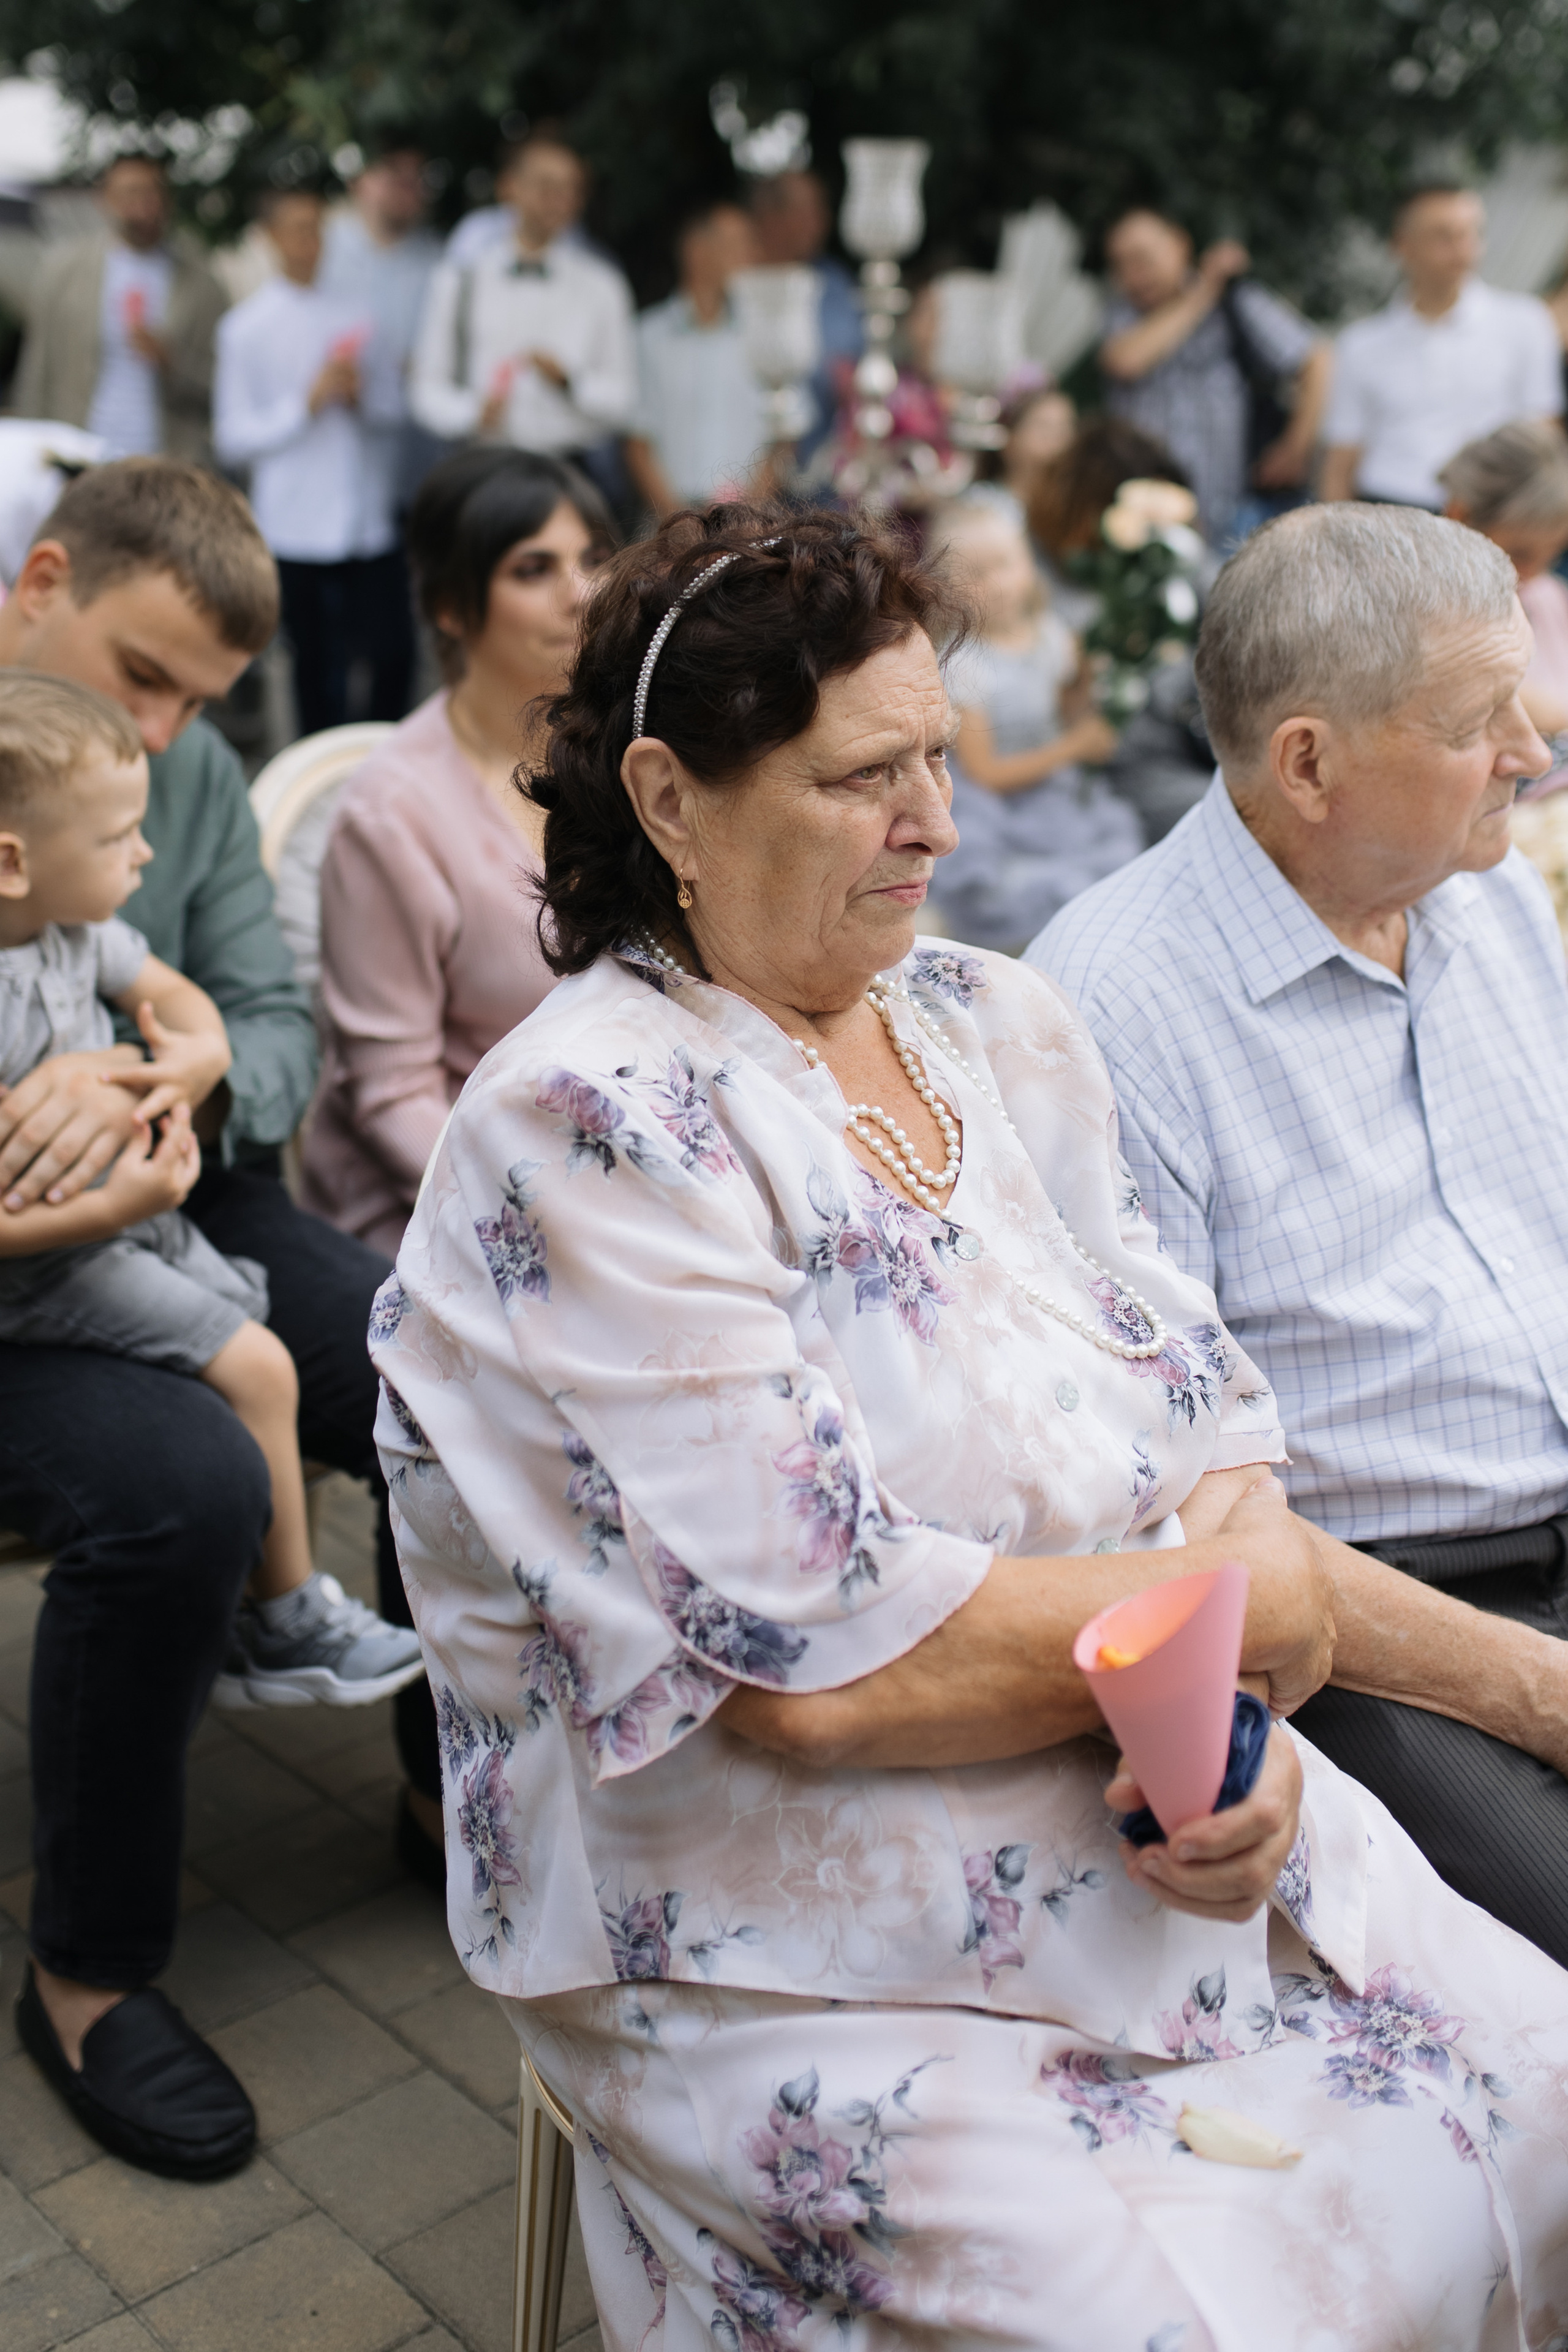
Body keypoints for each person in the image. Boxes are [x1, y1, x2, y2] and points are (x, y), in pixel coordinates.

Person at [370, 503, 1568, 2348]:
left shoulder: (995, 1025)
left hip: (1144, 1805)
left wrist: (1230, 1726)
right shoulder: (596, 1127)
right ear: (672, 801)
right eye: (865, 774)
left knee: (1543, 2089)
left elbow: (1209, 1434)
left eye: (937, 753)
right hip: (774, 1924)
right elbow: (822, 1674)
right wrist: (1243, 1626)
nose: (939, 818)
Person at [1029, 501, 1568, 1965]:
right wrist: (1535, 1687)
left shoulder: (1488, 892)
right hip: (1373, 1617)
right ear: (1307, 763)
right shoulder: (1106, 1006)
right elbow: (1181, 1487)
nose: (1529, 751)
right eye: (1476, 720)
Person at [0, 459, 432, 2175]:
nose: (171, 730)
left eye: (200, 701)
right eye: (144, 676)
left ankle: (432, 1792)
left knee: (424, 1349)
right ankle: (87, 1972)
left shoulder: (186, 777)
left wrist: (184, 1067)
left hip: (175, 1186)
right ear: (41, 581)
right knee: (183, 1482)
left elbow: (268, 1027)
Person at [0, 672, 423, 1714]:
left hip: (130, 1221)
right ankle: (285, 1616)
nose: (142, 858)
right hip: (53, 1264)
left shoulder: (75, 935)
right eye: (117, 841)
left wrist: (189, 1059)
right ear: (13, 860)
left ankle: (263, 1601)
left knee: (258, 1328)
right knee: (260, 1365)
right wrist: (114, 1211)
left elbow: (174, 995)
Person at [301, 447, 611, 1254]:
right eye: (533, 568)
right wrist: (542, 1217)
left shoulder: (630, 763)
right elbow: (391, 1094)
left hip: (620, 1170)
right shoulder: (391, 813)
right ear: (449, 604)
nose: (580, 593)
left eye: (592, 559)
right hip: (453, 1205)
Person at [214, 189, 415, 737]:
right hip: (294, 523)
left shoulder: (358, 314)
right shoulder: (246, 327)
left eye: (317, 228)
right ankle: (320, 767)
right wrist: (303, 405)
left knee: (391, 652)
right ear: (270, 238)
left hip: (365, 519)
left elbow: (396, 408)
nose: (309, 242)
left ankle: (382, 755)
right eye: (296, 229)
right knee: (314, 664)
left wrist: (361, 396)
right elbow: (232, 436)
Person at [927, 501, 1139, 952]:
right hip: (995, 800)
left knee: (1106, 848)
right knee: (1008, 883)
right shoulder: (964, 665)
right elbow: (987, 773)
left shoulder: (1050, 634)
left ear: (1028, 565)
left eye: (1006, 565)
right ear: (949, 590)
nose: (997, 584)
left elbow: (1067, 707)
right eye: (977, 575)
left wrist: (1098, 681)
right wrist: (1072, 748)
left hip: (1051, 785)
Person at [1027, 417, 1215, 839]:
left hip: (1207, 732)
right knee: (1220, 813)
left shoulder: (1183, 564)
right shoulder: (1054, 593)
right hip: (1126, 764)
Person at [1321, 185, 1563, 510]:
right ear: (1402, 246)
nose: (1463, 249)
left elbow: (1541, 434)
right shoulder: (1360, 344)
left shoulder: (1525, 322)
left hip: (1489, 511)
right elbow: (1342, 458)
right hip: (1387, 510)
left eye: (1471, 234)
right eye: (1443, 236)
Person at [1099, 207, 1328, 547]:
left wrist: (1297, 445)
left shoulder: (1237, 301)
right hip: (1143, 521)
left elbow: (1317, 357)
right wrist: (1204, 289)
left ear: (1179, 245)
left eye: (1142, 259)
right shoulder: (1121, 315)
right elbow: (1127, 361)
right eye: (1121, 265)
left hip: (1237, 511)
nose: (1134, 275)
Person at [409, 129, 636, 464]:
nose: (558, 199)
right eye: (546, 185)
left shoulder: (603, 285)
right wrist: (472, 413)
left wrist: (570, 383)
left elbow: (624, 398)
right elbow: (426, 389)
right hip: (482, 463)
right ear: (508, 187)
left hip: (569, 468)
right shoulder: (459, 281)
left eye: (570, 189)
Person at [13, 154, 228, 466]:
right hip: (81, 454)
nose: (143, 204)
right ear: (105, 199)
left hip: (167, 460)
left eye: (152, 192)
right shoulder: (65, 272)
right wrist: (33, 447)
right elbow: (38, 367)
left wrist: (172, 364)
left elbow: (221, 386)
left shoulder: (201, 282)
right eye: (130, 192)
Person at [318, 141, 445, 507]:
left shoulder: (441, 260)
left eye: (416, 177)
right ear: (358, 182)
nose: (407, 186)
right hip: (335, 451)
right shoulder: (322, 247)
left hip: (417, 459)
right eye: (393, 173)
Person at [623, 203, 766, 521]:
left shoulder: (764, 335)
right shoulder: (648, 336)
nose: (750, 255)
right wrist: (676, 521)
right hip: (670, 521)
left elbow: (783, 438)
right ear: (695, 250)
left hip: (748, 522)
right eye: (735, 244)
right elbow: (637, 441)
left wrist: (748, 517)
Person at [1439, 417, 1568, 735]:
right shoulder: (1435, 612)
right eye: (1520, 554)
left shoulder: (1546, 593)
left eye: (1554, 553)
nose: (1535, 573)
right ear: (1460, 516)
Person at [749, 168, 864, 457]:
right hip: (739, 466)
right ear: (770, 219)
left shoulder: (835, 285)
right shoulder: (737, 284)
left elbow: (853, 371)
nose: (821, 222)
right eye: (808, 211)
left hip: (821, 475)